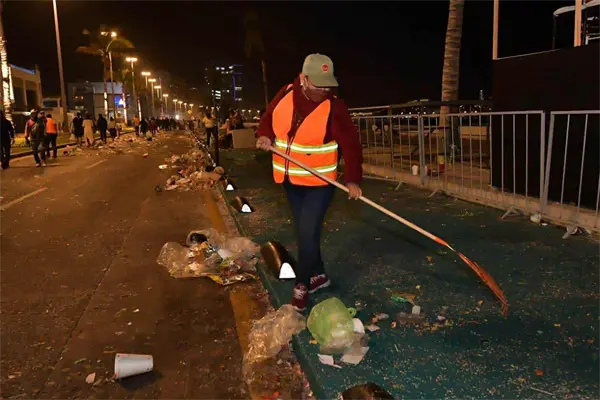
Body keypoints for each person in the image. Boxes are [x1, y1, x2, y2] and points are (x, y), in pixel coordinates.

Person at [256, 54, 363, 312]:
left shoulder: (335, 107)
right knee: (305, 231)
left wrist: (352, 179)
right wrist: (264, 135)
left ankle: (302, 285)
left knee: (307, 232)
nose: (324, 89)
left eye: (328, 84)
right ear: (303, 79)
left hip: (320, 183)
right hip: (290, 180)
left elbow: (351, 144)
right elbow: (268, 117)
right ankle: (320, 275)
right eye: (318, 83)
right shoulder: (286, 93)